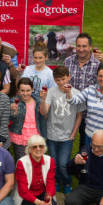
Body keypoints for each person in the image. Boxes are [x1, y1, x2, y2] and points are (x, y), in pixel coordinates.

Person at [64, 33, 103, 148]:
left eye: (84, 46)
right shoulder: (68, 61)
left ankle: (85, 163)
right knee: (66, 139)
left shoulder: (98, 63)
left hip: (90, 112)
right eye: (78, 46)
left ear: (90, 47)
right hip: (72, 110)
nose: (81, 49)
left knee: (87, 143)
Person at [40, 66, 85, 194]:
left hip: (67, 136)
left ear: (69, 77)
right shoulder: (51, 92)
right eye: (58, 80)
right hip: (51, 134)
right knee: (54, 163)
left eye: (63, 79)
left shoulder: (76, 93)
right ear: (54, 80)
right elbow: (44, 112)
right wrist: (43, 99)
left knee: (63, 163)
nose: (61, 83)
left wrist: (73, 133)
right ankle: (56, 181)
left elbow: (79, 115)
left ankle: (67, 182)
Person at [9, 78, 47, 160]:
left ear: (32, 89)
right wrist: (14, 111)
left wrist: (43, 99)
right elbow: (12, 118)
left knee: (36, 161)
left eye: (28, 90)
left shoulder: (37, 101)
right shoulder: (14, 101)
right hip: (20, 135)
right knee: (22, 161)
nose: (25, 93)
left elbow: (44, 113)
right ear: (18, 90)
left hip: (35, 135)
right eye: (22, 91)